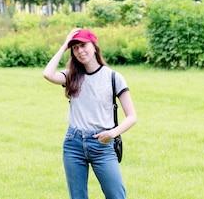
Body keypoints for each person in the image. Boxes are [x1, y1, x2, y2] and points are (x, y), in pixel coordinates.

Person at [43, 28, 137, 199]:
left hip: (102, 144)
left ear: (94, 47)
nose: (80, 50)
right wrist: (64, 45)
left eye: (83, 45)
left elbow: (132, 116)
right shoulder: (72, 76)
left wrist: (112, 133)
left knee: (117, 195)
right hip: (74, 144)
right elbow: (47, 74)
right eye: (75, 48)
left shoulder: (113, 78)